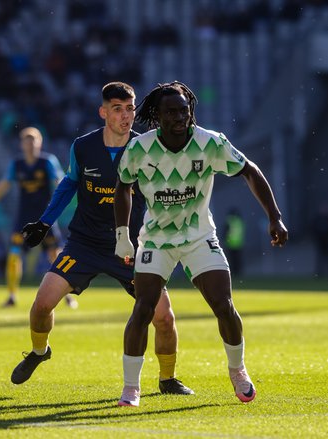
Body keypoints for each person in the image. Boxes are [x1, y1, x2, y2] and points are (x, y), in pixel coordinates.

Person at [12, 82, 193, 396]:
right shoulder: (83, 147)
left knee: (163, 317)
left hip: (131, 248)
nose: (126, 116)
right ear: (103, 112)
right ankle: (40, 352)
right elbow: (69, 185)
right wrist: (45, 223)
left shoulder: (149, 148)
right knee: (41, 305)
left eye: (130, 108)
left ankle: (168, 379)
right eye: (118, 109)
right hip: (84, 244)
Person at [114, 81, 288, 407]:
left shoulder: (210, 143)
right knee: (143, 308)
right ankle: (131, 388)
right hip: (157, 239)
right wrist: (122, 235)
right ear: (158, 116)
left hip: (198, 237)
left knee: (224, 304)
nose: (180, 117)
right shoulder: (140, 149)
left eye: (184, 110)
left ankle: (237, 370)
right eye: (172, 112)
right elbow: (123, 186)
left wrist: (274, 216)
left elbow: (248, 170)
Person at [0, 127, 78, 309]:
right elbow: (3, 185)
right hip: (23, 220)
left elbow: (60, 182)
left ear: (40, 143)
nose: (30, 144)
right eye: (27, 140)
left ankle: (67, 296)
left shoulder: (48, 162)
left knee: (56, 257)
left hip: (45, 219)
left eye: (34, 140)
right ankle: (11, 295)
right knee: (14, 256)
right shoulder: (16, 165)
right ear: (22, 144)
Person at [311, 203, 328, 278]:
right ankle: (319, 274)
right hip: (320, 243)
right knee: (320, 260)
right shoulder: (318, 219)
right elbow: (313, 230)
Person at [223, 208, 246, 276]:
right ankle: (238, 273)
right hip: (239, 244)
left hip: (230, 243)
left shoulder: (229, 221)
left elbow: (225, 232)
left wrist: (224, 240)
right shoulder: (240, 221)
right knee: (237, 260)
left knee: (231, 260)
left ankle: (232, 273)